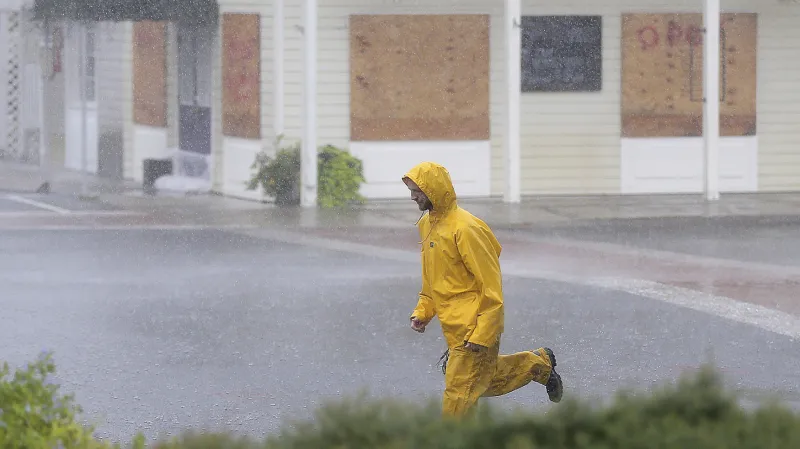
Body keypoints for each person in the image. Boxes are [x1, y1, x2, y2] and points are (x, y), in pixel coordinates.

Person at [402, 161, 563, 418]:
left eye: (417, 191)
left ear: (433, 189)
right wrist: (423, 310)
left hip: (473, 330)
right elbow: (432, 278)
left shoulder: (466, 228)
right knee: (482, 382)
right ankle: (537, 365)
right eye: (410, 191)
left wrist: (482, 334)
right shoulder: (427, 225)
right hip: (454, 329)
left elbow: (491, 285)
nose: (412, 197)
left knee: (458, 398)